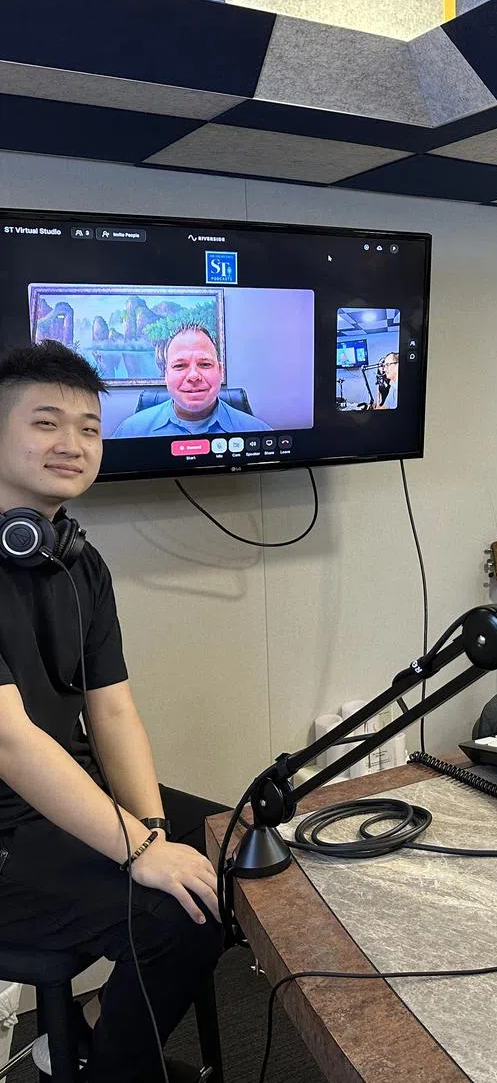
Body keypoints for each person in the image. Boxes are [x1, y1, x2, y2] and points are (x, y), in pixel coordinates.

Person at [0, 341, 224, 1082]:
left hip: (58, 798)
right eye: (47, 422)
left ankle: (95, 1038)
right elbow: (10, 744)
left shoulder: (77, 560)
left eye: (90, 428)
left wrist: (153, 830)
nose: (72, 444)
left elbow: (114, 711)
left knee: (238, 843)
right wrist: (141, 853)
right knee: (167, 916)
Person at [109, 324, 270, 437]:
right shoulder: (130, 431)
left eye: (205, 364)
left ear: (220, 371)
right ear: (166, 375)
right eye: (180, 365)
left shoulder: (258, 432)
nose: (193, 376)